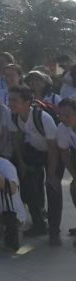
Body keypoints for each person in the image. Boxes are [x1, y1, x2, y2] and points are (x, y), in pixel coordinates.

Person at [8, 85, 61, 245]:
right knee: (29, 187)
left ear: (27, 102)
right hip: (36, 152)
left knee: (52, 190)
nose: (10, 103)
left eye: (15, 100)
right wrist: (22, 163)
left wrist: (50, 174)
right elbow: (17, 140)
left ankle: (54, 233)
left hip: (55, 154)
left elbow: (53, 149)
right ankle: (39, 224)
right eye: (10, 99)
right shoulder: (14, 117)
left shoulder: (42, 117)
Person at [55, 99, 76, 245]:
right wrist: (74, 175)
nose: (63, 118)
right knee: (74, 189)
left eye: (67, 115)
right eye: (60, 115)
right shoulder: (62, 128)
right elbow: (64, 153)